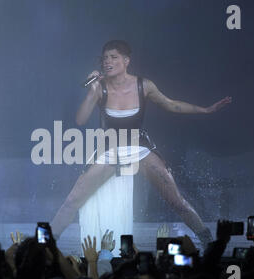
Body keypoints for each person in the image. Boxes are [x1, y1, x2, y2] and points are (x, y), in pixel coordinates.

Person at [50, 40, 232, 249]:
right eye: (105, 58)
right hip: (111, 151)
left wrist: (206, 110)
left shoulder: (143, 85)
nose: (108, 61)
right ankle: (42, 246)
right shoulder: (99, 88)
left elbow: (171, 104)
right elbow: (80, 120)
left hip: (139, 149)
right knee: (72, 200)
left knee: (177, 201)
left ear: (126, 61)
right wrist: (91, 91)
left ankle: (209, 241)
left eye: (113, 57)